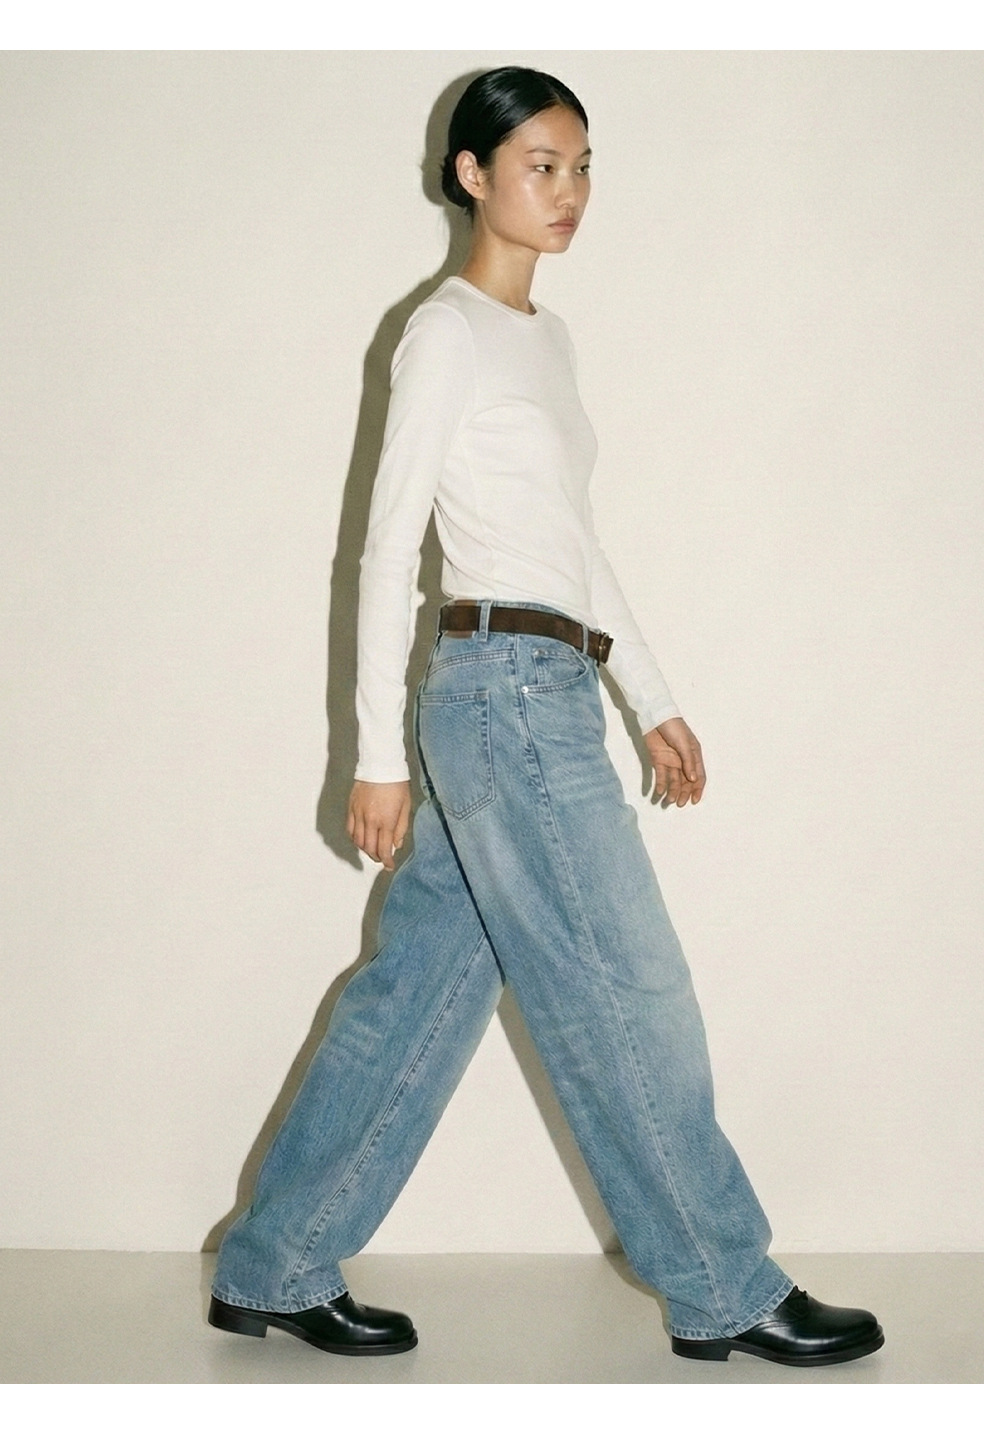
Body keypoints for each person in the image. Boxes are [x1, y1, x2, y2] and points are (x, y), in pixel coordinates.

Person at [208, 66, 884, 1368]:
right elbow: (385, 548)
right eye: (540, 166)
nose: (568, 192)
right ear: (472, 174)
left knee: (413, 997)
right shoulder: (445, 333)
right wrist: (373, 753)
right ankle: (724, 1285)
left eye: (581, 168)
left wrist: (650, 695)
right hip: (501, 700)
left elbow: (571, 543)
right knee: (631, 989)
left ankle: (273, 1262)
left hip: (545, 685)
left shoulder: (546, 342)